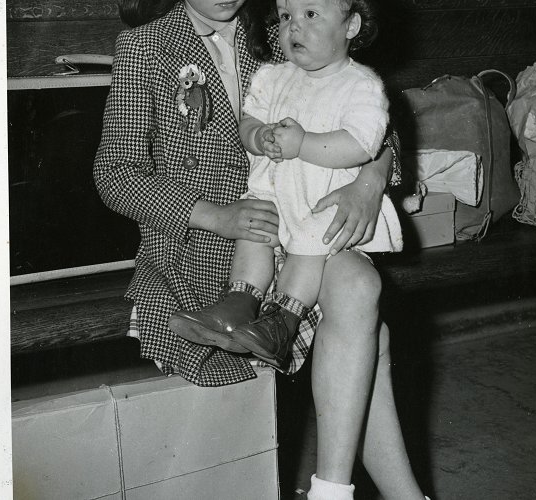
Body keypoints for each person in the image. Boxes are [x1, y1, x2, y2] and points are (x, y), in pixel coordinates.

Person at [94, 0, 429, 498]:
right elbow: (114, 174)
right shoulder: (145, 46)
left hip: (298, 224)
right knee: (362, 311)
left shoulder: (279, 30)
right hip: (207, 249)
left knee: (361, 286)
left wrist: (371, 179)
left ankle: (334, 489)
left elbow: (373, 116)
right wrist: (216, 215)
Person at [169, 0, 403, 372]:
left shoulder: (359, 82)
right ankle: (239, 303)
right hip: (263, 198)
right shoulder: (275, 73)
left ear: (352, 25)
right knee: (256, 227)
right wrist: (258, 136)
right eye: (285, 17)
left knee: (315, 242)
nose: (293, 26)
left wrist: (360, 175)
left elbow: (369, 140)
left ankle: (282, 320)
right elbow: (248, 121)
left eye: (310, 15)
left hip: (320, 199)